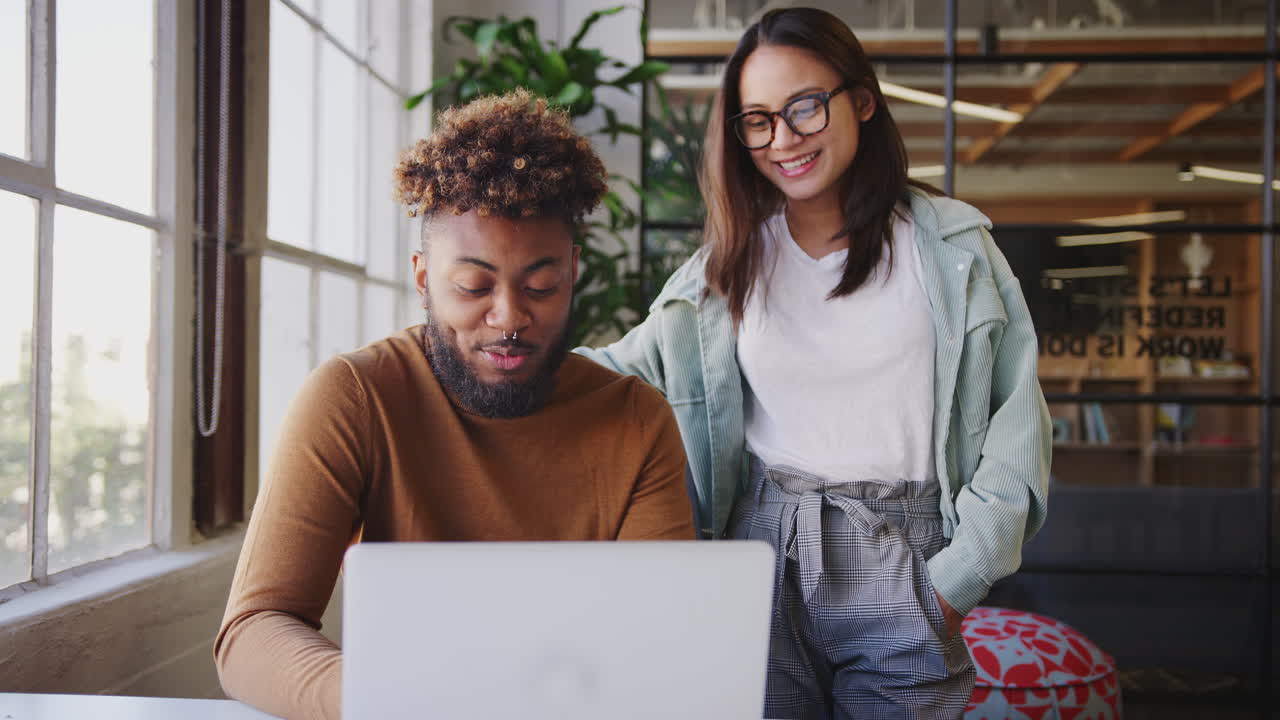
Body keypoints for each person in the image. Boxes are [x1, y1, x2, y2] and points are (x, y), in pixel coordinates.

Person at [576, 7, 1050, 718]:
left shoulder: (953, 252)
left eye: (804, 107)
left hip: (907, 556)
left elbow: (1018, 427)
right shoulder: (727, 266)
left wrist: (955, 583)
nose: (783, 139)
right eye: (758, 119)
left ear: (861, 99)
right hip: (759, 550)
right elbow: (620, 373)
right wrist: (481, 344)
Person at [215, 90, 695, 720]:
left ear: (573, 272)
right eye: (473, 286)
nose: (509, 317)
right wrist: (380, 697)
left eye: (541, 286)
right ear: (422, 278)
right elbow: (254, 629)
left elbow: (659, 641)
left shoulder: (637, 420)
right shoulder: (355, 398)